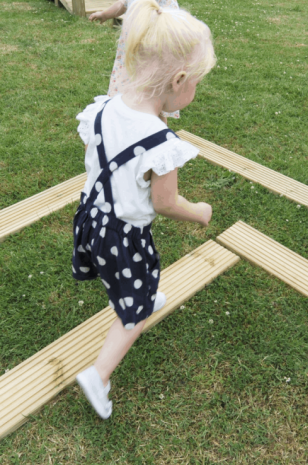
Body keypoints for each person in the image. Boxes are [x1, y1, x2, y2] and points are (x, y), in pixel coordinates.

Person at [74, 0, 216, 418]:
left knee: (137, 276)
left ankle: (144, 291)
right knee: (132, 308)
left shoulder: (101, 110)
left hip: (91, 217)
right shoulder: (160, 144)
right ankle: (98, 374)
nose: (194, 93)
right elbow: (165, 202)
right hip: (122, 234)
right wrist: (200, 211)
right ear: (178, 80)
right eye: (196, 85)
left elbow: (94, 155)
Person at [89, 0, 181, 123]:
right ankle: (130, 130)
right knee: (127, 96)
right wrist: (104, 14)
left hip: (153, 56)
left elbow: (173, 17)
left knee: (154, 99)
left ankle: (160, 136)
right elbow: (122, 4)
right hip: (131, 56)